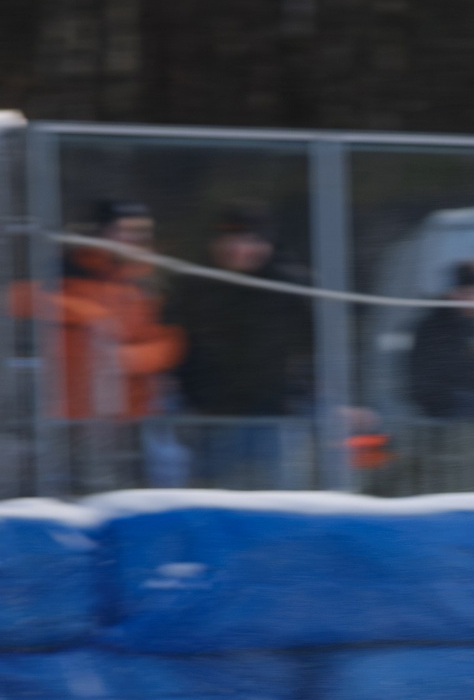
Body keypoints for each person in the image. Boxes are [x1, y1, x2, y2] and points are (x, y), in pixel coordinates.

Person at [164, 209, 314, 487]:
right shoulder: (195, 286)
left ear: (266, 245)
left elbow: (318, 347)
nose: (237, 249)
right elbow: (179, 349)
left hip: (276, 416)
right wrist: (192, 398)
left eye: (249, 239)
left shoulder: (292, 288)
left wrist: (301, 392)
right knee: (216, 498)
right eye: (228, 239)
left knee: (280, 498)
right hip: (214, 418)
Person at [9, 200, 185, 422]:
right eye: (127, 231)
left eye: (142, 232)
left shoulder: (148, 283)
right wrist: (85, 312)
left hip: (132, 416)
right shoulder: (71, 269)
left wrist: (129, 358)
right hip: (73, 413)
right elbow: (16, 299)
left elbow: (171, 344)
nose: (136, 239)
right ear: (104, 232)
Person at [405, 260, 474, 421]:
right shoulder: (436, 328)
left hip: (468, 415)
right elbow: (436, 383)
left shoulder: (473, 328)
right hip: (448, 418)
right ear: (457, 295)